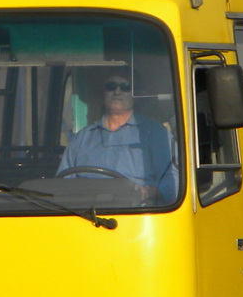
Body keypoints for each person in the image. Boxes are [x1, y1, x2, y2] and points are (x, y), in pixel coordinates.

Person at [57, 72, 178, 204]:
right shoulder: (82, 138)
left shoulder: (156, 134)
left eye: (125, 87)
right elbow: (63, 183)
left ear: (136, 96)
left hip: (137, 215)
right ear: (103, 93)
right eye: (111, 86)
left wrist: (149, 191)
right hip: (86, 214)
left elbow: (173, 179)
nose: (117, 92)